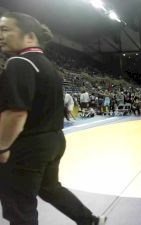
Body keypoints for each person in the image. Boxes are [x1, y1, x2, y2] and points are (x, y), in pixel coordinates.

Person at [0, 12, 106, 225]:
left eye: (5, 29)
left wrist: (2, 147)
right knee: (50, 188)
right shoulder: (48, 66)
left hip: (27, 147)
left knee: (20, 208)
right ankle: (90, 221)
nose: (1, 35)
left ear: (29, 36)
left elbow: (17, 112)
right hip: (54, 141)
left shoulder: (19, 62)